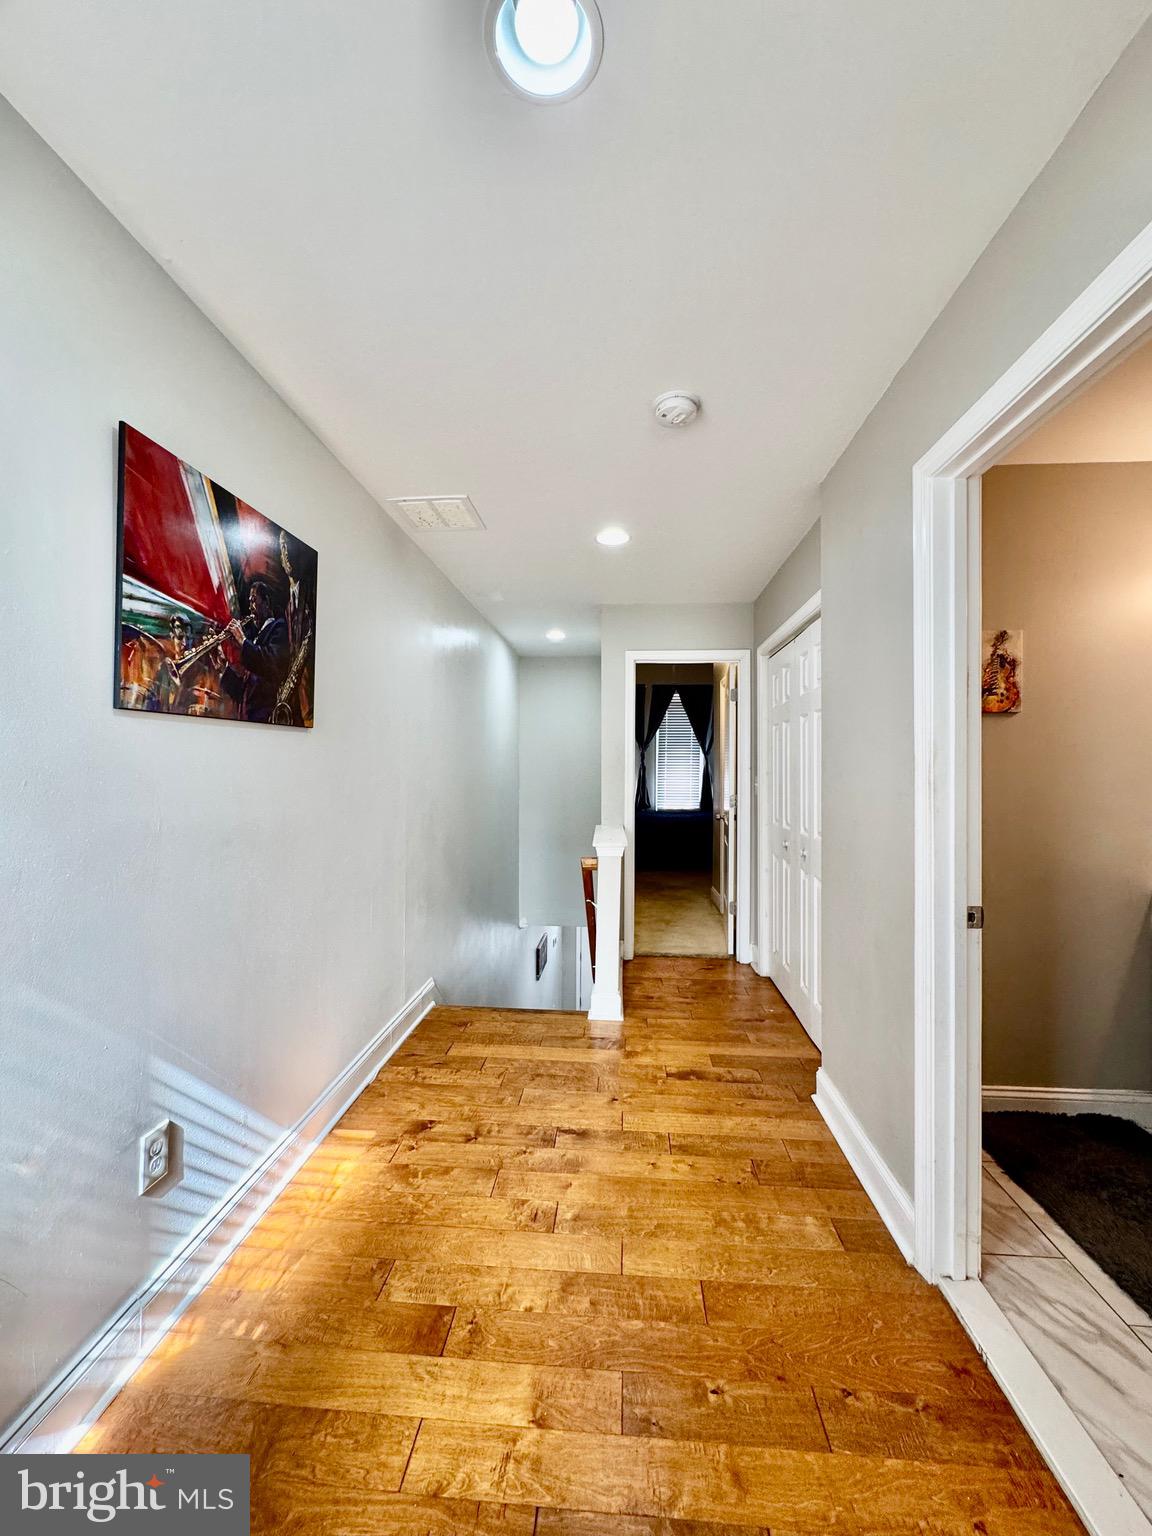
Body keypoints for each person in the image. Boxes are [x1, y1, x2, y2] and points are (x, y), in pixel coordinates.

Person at [221, 581, 289, 724]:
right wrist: (223, 666)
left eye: (253, 601)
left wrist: (243, 640)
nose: (250, 608)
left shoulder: (279, 627)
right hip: (248, 719)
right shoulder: (256, 638)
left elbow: (271, 663)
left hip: (264, 718)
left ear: (266, 602)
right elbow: (242, 691)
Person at [278, 528, 314, 727]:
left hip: (309, 694)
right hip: (297, 700)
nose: (286, 553)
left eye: (289, 546)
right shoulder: (287, 607)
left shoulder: (312, 593)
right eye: (282, 548)